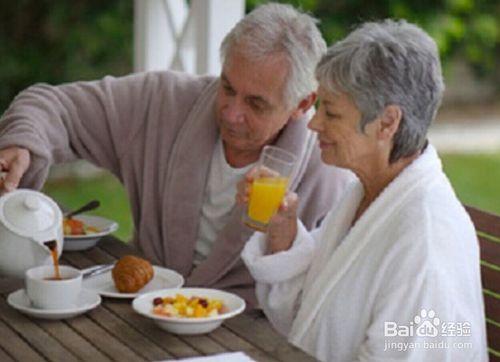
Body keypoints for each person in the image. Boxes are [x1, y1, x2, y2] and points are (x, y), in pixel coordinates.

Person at [0, 3, 352, 306]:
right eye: (227, 88)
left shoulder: (330, 174)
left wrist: (284, 238)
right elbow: (52, 105)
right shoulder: (163, 102)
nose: (231, 112)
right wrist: (22, 144)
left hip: (247, 339)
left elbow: (317, 306)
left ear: (302, 103)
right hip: (134, 312)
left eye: (255, 104)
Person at [238, 19, 487, 360]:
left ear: (387, 123)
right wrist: (282, 232)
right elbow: (308, 317)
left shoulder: (426, 242)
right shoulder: (365, 194)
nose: (313, 123)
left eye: (332, 112)